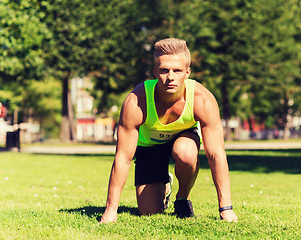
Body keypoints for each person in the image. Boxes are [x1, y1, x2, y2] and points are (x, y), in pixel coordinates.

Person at [99, 38, 238, 223]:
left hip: (184, 139)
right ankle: (165, 187)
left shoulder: (202, 99)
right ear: (155, 72)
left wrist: (225, 209)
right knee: (150, 213)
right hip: (149, 147)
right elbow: (123, 158)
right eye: (164, 70)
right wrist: (111, 210)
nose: (170, 77)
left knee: (186, 153)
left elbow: (216, 155)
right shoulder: (136, 101)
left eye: (177, 70)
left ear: (187, 72)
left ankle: (182, 197)